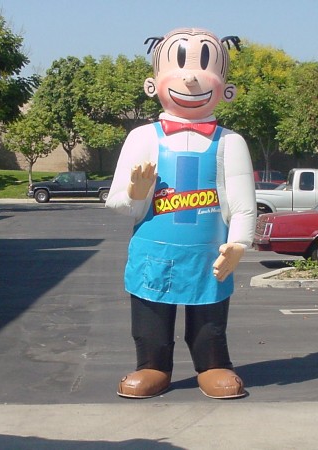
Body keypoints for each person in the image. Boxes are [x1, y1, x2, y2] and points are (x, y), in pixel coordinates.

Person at [106, 28, 256, 399]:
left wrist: (238, 243)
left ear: (227, 89)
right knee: (150, 315)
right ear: (151, 84)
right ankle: (152, 365)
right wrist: (135, 193)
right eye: (178, 65)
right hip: (153, 252)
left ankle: (213, 365)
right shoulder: (142, 138)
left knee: (209, 318)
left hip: (209, 253)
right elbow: (118, 202)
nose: (190, 78)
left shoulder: (231, 142)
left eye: (205, 66)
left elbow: (242, 202)